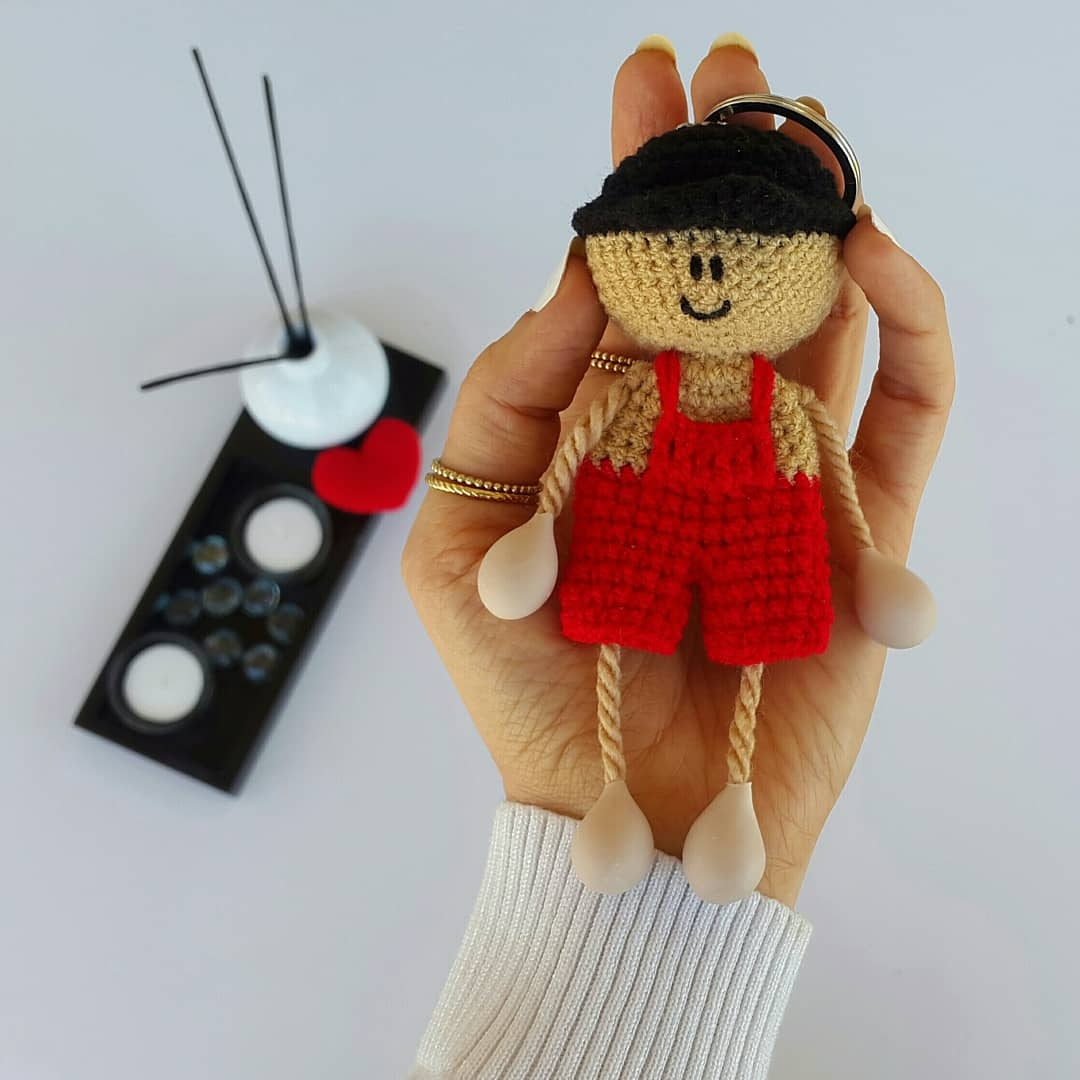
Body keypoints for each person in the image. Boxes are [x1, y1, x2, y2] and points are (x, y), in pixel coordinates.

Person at [402, 32, 955, 1080]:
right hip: (641, 522)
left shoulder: (779, 406)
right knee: (622, 631)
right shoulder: (641, 399)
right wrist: (540, 523)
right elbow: (581, 454)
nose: (705, 279)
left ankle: (730, 793)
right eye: (681, 257)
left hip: (758, 527)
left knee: (756, 650)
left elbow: (831, 473)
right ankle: (618, 793)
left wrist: (865, 561)